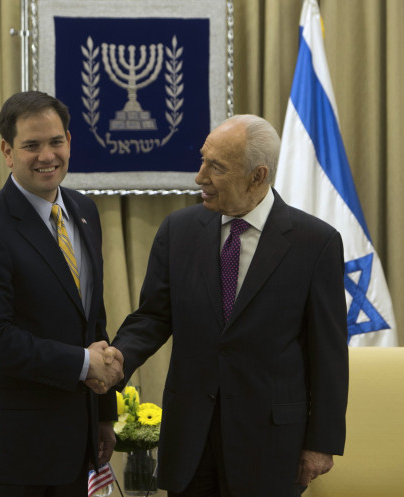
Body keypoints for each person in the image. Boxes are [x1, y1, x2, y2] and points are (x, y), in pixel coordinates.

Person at [111, 115, 349, 496]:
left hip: (270, 446)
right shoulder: (178, 231)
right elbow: (153, 317)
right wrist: (115, 360)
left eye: (216, 167)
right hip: (190, 440)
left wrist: (321, 442)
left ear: (258, 175)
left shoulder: (315, 243)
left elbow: (329, 352)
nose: (199, 176)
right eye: (202, 160)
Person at [0, 91, 124, 497]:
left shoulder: (84, 210)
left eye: (55, 142)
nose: (47, 156)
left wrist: (103, 415)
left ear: (69, 141)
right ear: (8, 152)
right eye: (31, 145)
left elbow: (91, 320)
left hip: (72, 449)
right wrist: (84, 364)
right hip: (6, 459)